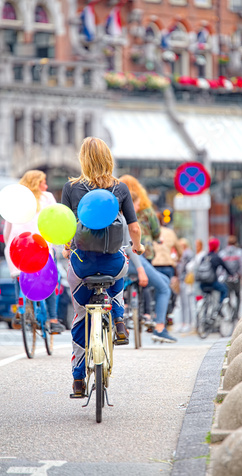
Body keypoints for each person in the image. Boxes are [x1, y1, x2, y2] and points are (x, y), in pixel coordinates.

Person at [61, 137, 144, 398]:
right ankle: (119, 317)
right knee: (123, 268)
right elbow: (133, 227)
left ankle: (77, 379)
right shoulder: (119, 188)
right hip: (112, 260)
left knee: (80, 315)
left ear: (83, 159)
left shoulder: (70, 188)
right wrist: (138, 246)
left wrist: (66, 247)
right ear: (108, 158)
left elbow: (64, 224)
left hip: (82, 264)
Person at [3, 170, 65, 334]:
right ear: (37, 183)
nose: (46, 185)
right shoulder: (47, 197)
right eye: (43, 182)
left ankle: (21, 307)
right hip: (40, 246)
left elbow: (7, 231)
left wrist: (8, 244)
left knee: (19, 275)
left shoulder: (15, 200)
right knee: (52, 279)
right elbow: (54, 220)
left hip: (18, 246)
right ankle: (52, 319)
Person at [119, 175, 177, 343]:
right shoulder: (137, 215)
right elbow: (130, 246)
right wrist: (140, 268)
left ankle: (137, 310)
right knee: (162, 287)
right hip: (136, 258)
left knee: (163, 280)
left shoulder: (113, 215)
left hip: (124, 261)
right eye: (134, 205)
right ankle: (159, 327)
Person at [199, 237, 232, 308]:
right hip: (212, 283)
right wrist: (232, 274)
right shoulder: (217, 257)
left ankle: (205, 312)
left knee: (205, 296)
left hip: (202, 284)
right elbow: (226, 268)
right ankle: (219, 308)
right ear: (217, 246)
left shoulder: (204, 257)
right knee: (224, 289)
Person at [219, 235, 242, 321]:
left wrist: (222, 276)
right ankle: (236, 314)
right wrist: (240, 274)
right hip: (236, 277)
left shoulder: (222, 253)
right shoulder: (239, 252)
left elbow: (220, 268)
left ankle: (231, 311)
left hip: (227, 278)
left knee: (228, 297)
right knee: (238, 296)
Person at [176, 238, 194, 332]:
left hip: (185, 280)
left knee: (186, 303)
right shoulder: (185, 253)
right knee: (183, 303)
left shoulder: (187, 253)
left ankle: (187, 323)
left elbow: (185, 267)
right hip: (182, 280)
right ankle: (184, 323)